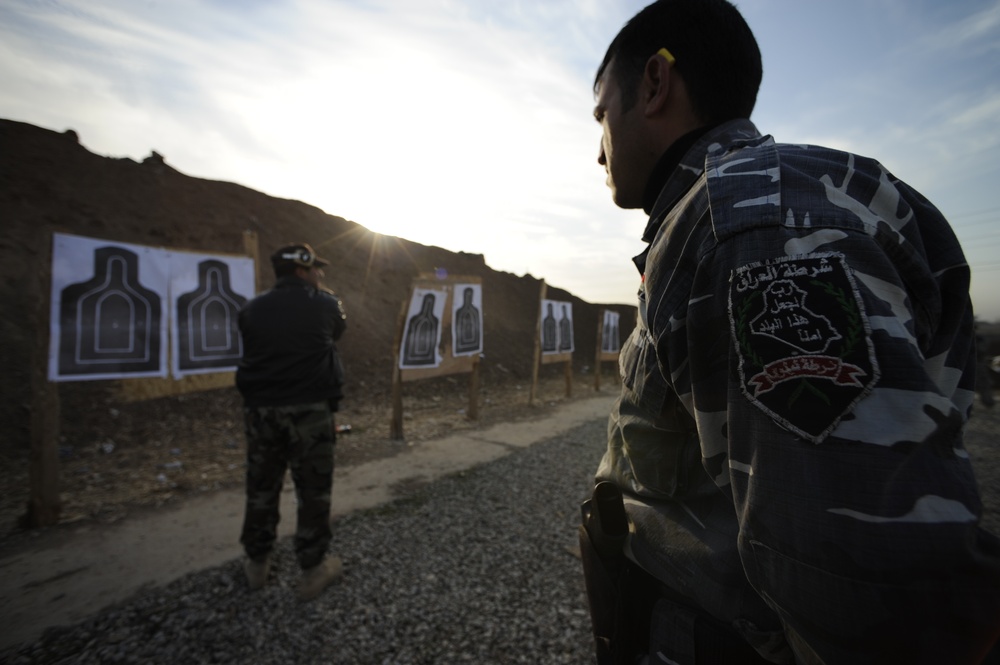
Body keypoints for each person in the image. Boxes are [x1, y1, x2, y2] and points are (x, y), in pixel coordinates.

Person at [579, 1, 1000, 663]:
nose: (595, 142)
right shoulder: (748, 207)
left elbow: (870, 586)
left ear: (655, 85)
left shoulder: (748, 225)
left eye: (601, 112)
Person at [236, 242, 347, 601]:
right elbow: (337, 331)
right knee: (313, 491)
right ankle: (313, 569)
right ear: (302, 270)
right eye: (316, 269)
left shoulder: (251, 308)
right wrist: (321, 296)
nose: (321, 274)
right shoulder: (326, 304)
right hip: (308, 412)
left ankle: (257, 563)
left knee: (262, 487)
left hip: (261, 411)